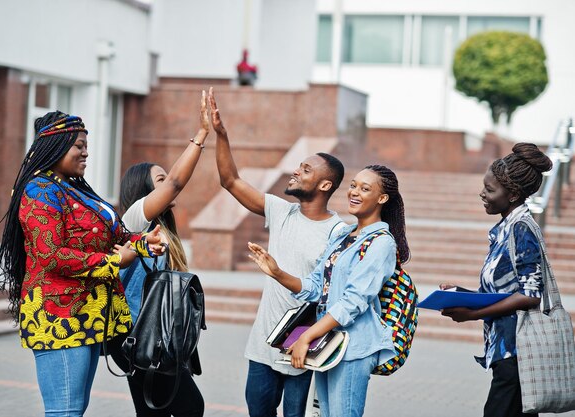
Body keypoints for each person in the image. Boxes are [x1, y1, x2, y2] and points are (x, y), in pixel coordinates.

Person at [0, 111, 164, 417]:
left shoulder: (76, 188)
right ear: (56, 146)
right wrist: (113, 261)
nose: (86, 152)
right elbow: (51, 255)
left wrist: (143, 243)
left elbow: (117, 233)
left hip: (87, 316)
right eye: (79, 145)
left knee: (74, 409)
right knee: (65, 411)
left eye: (87, 145)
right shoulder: (39, 190)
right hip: (57, 316)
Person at [209, 87, 346, 417]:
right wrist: (221, 135)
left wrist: (279, 275)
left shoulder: (337, 231)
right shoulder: (282, 212)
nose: (296, 172)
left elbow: (327, 294)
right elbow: (230, 181)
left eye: (306, 170)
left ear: (325, 185)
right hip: (263, 345)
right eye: (298, 166)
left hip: (302, 344)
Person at [248, 164, 409, 417]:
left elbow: (353, 302)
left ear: (382, 198)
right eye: (354, 185)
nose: (354, 192)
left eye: (365, 189)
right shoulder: (343, 235)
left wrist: (305, 337)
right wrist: (277, 272)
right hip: (329, 345)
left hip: (353, 349)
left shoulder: (381, 244)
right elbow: (315, 287)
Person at [106, 91, 209, 417]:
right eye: (160, 181)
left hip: (156, 336)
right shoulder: (136, 218)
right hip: (139, 336)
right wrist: (202, 135)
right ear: (144, 191)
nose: (168, 186)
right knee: (190, 406)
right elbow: (177, 182)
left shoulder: (162, 227)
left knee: (154, 410)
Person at [440, 143, 553, 417]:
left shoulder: (521, 229)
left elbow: (530, 295)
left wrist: (473, 313)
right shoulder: (506, 229)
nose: (482, 194)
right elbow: (505, 290)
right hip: (506, 353)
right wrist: (462, 293)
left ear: (513, 194)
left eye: (490, 190)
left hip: (517, 354)